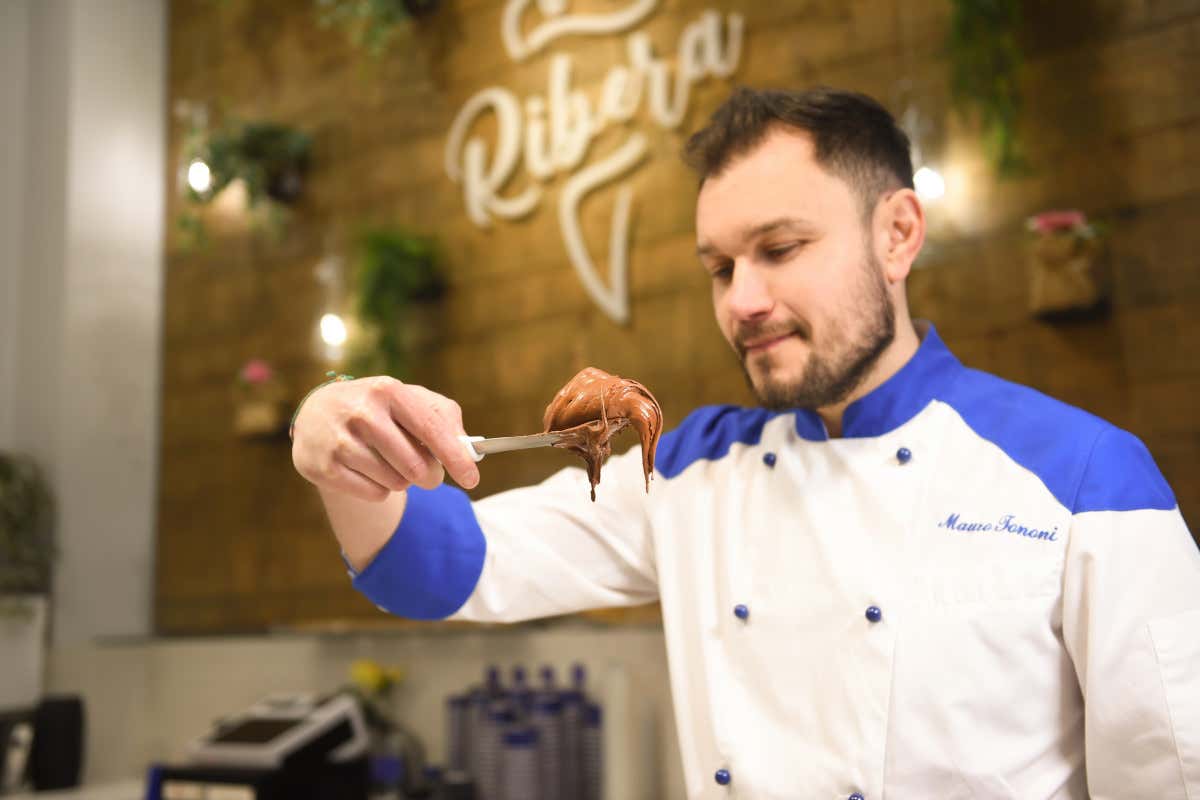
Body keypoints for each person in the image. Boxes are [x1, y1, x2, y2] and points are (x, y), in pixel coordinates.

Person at [291, 87, 1200, 798]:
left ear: (898, 234)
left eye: (781, 248)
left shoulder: (1087, 477)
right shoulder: (688, 470)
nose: (742, 301)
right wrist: (333, 431)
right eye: (721, 267)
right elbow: (437, 565)